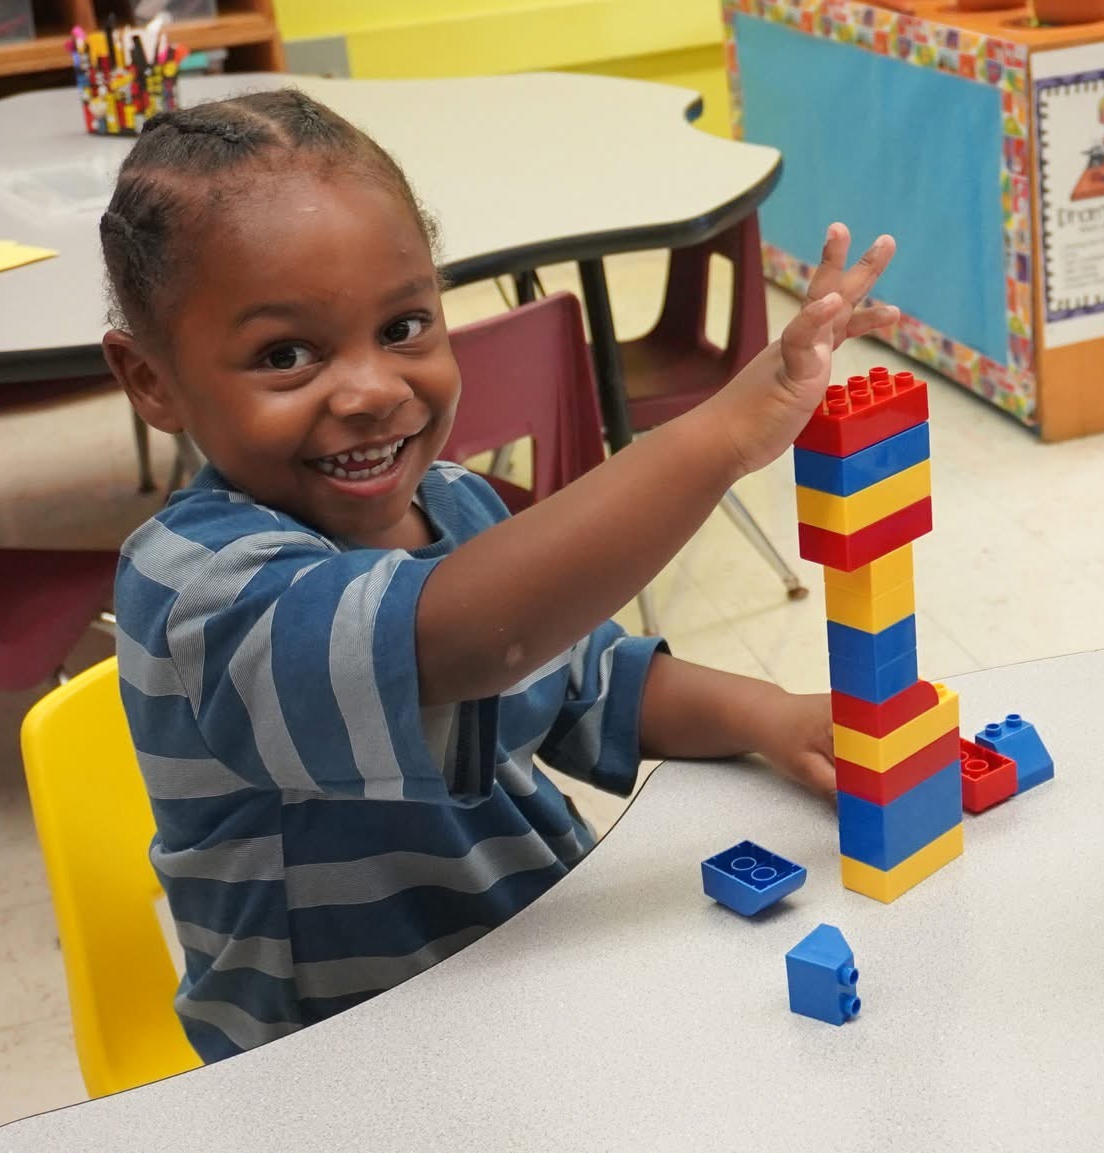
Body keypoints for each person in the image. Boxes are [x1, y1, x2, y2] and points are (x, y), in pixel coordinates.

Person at [99, 89, 898, 1058]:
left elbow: (585, 678)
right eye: (285, 355)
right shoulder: (196, 586)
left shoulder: (458, 504)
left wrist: (768, 716)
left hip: (530, 973)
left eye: (402, 328)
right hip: (333, 1059)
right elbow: (472, 639)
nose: (370, 389)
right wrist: (722, 436)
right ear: (150, 379)